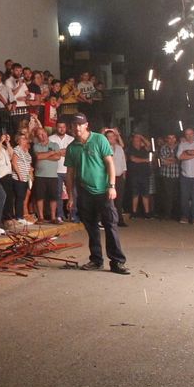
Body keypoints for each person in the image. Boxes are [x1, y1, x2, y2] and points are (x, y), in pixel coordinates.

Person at [66, 114, 127, 274]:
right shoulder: (72, 147)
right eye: (74, 125)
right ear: (71, 127)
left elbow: (109, 163)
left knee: (110, 225)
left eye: (80, 124)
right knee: (91, 227)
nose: (77, 128)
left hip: (103, 191)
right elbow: (70, 173)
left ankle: (117, 262)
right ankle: (96, 260)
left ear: (86, 125)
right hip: (84, 192)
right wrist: (71, 196)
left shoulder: (99, 139)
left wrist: (111, 186)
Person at [127, 133, 156, 220]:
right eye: (136, 139)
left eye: (139, 140)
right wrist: (145, 160)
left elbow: (149, 145)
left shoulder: (144, 148)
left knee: (145, 194)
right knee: (135, 194)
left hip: (145, 174)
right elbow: (133, 159)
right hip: (134, 175)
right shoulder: (130, 149)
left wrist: (142, 137)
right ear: (133, 141)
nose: (137, 141)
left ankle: (147, 213)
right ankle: (134, 212)